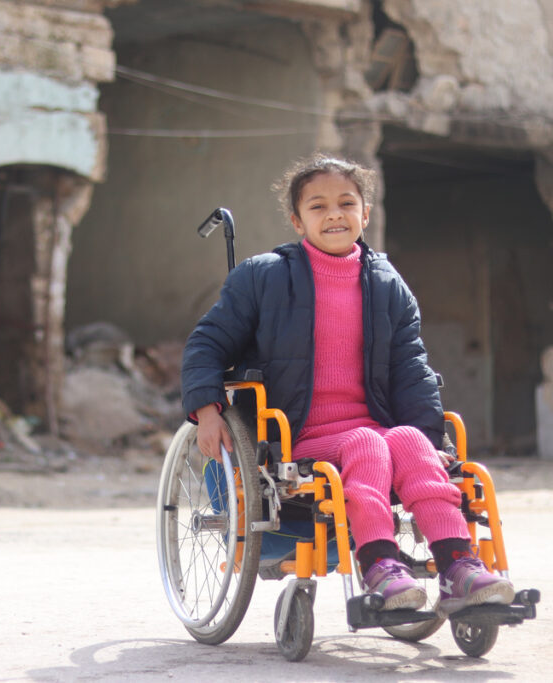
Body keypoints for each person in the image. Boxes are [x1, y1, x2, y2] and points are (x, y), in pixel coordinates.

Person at [181, 154, 515, 615]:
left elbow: (410, 367)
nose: (334, 214)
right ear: (298, 221)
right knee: (368, 442)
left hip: (374, 431)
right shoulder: (264, 277)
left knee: (411, 440)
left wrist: (430, 436)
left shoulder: (386, 284)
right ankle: (380, 565)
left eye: (346, 203)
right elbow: (208, 343)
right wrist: (207, 409)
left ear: (366, 213)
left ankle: (459, 564)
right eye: (317, 207)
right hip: (299, 436)